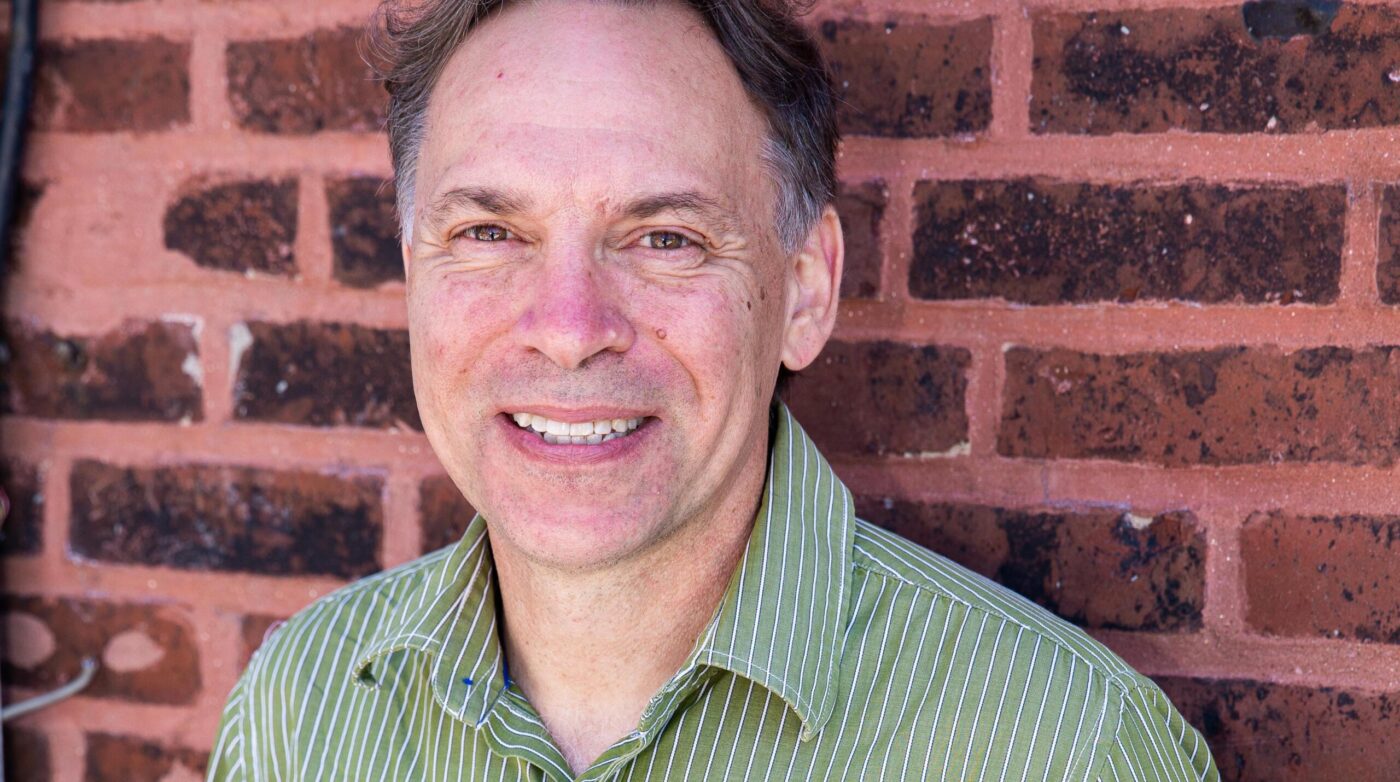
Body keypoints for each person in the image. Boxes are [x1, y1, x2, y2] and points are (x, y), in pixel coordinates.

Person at [206, 0, 1220, 779]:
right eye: (487, 232)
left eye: (663, 238)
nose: (567, 328)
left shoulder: (1058, 748)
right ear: (411, 269)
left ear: (803, 291)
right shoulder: (303, 711)